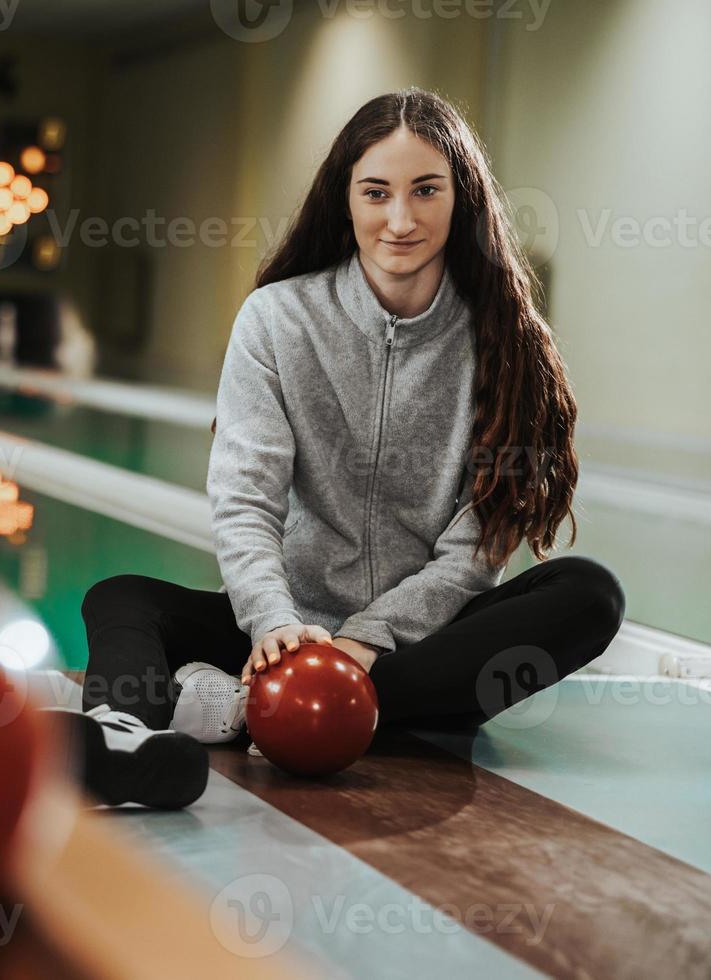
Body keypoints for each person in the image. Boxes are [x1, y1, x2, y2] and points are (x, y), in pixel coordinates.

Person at [54, 88, 626, 810]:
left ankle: (259, 708)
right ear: (345, 199)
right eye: (376, 192)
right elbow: (245, 495)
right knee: (123, 597)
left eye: (426, 191)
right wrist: (275, 622)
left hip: (417, 653)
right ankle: (121, 739)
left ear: (463, 199)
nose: (400, 219)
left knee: (589, 593)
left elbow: (481, 541)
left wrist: (370, 639)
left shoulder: (502, 340)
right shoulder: (277, 320)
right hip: (285, 635)